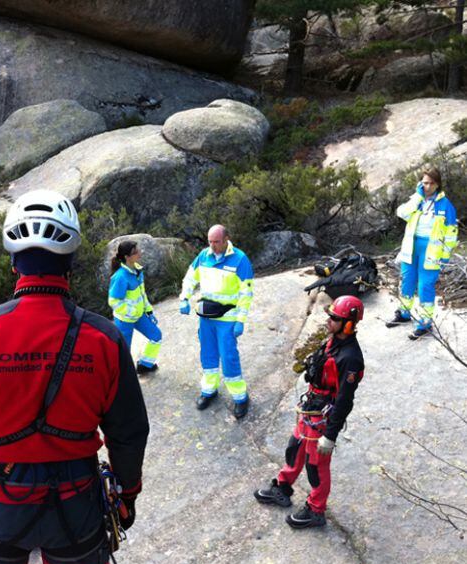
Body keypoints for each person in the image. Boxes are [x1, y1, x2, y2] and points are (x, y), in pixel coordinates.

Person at [0, 189, 149, 564]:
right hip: (78, 502)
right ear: (70, 261)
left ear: (14, 262)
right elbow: (129, 431)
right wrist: (126, 494)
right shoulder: (104, 338)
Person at [254, 295, 365, 529]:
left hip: (324, 418)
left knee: (316, 466)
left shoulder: (351, 359)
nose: (328, 321)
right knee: (294, 448)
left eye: (334, 318)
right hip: (312, 408)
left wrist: (330, 436)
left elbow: (345, 400)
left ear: (348, 323)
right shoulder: (333, 341)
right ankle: (282, 487)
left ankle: (316, 510)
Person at [179, 224, 254, 419]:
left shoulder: (240, 260)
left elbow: (246, 293)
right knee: (208, 355)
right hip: (207, 318)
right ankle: (209, 390)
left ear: (227, 239)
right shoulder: (204, 256)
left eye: (217, 242)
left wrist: (241, 320)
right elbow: (190, 278)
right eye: (210, 242)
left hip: (227, 318)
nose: (213, 246)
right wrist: (184, 298)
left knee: (228, 357)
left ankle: (240, 397)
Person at [386, 167, 458, 340]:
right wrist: (417, 196)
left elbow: (451, 234)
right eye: (425, 183)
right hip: (412, 246)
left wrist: (445, 256)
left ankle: (425, 323)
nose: (428, 186)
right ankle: (403, 313)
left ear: (438, 184)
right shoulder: (416, 199)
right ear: (420, 183)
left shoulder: (445, 205)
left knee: (425, 286)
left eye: (432, 183)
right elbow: (401, 213)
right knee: (407, 281)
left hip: (432, 250)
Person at [108, 240, 162, 374]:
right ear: (127, 257)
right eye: (136, 252)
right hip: (124, 320)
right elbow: (113, 301)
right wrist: (131, 312)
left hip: (139, 316)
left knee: (156, 336)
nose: (140, 253)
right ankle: (122, 379)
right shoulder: (120, 276)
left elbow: (141, 294)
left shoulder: (138, 270)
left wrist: (148, 310)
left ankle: (145, 365)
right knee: (124, 353)